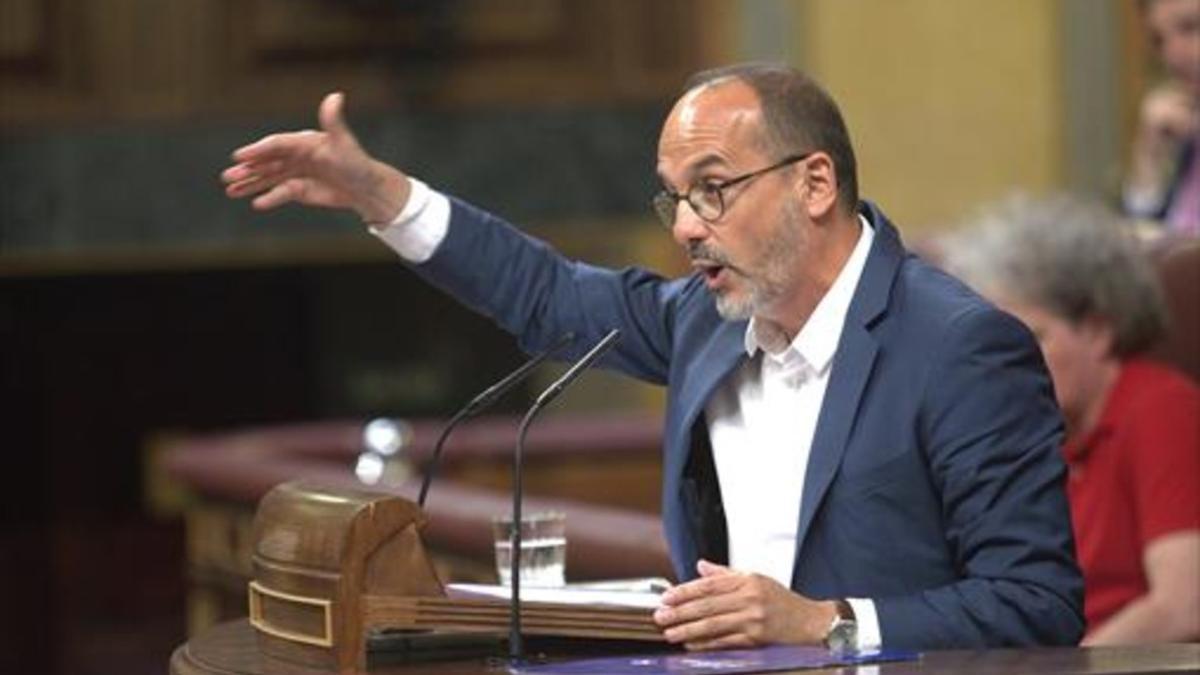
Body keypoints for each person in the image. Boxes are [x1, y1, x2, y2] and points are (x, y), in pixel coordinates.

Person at [222, 63, 1084, 651]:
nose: (683, 226)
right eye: (673, 197)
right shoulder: (703, 320)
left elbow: (1036, 604)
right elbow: (547, 294)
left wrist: (826, 621)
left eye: (714, 189)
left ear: (814, 184)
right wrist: (382, 195)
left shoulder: (959, 347)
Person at [943, 194, 1200, 645]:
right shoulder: (1021, 435)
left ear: (1098, 331)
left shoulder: (1160, 408)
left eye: (1032, 338)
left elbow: (1184, 605)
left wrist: (1068, 668)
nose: (1008, 364)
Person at [1124, 0, 1200, 236]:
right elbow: (1140, 252)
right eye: (1159, 40)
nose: (1172, 55)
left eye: (1190, 27)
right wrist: (1149, 160)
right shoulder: (1184, 128)